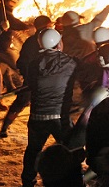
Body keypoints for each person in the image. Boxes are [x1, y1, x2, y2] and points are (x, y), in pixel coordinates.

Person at [20, 28, 77, 187]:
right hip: (60, 118)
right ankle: (74, 180)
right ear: (59, 44)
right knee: (71, 150)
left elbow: (31, 84)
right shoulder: (70, 62)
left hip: (37, 117)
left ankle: (27, 181)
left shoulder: (34, 64)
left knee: (33, 150)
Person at [0, 15, 54, 138]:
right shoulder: (53, 42)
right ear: (47, 26)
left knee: (20, 104)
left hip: (34, 81)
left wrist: (27, 76)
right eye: (50, 26)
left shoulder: (31, 41)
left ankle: (4, 128)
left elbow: (21, 62)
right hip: (40, 82)